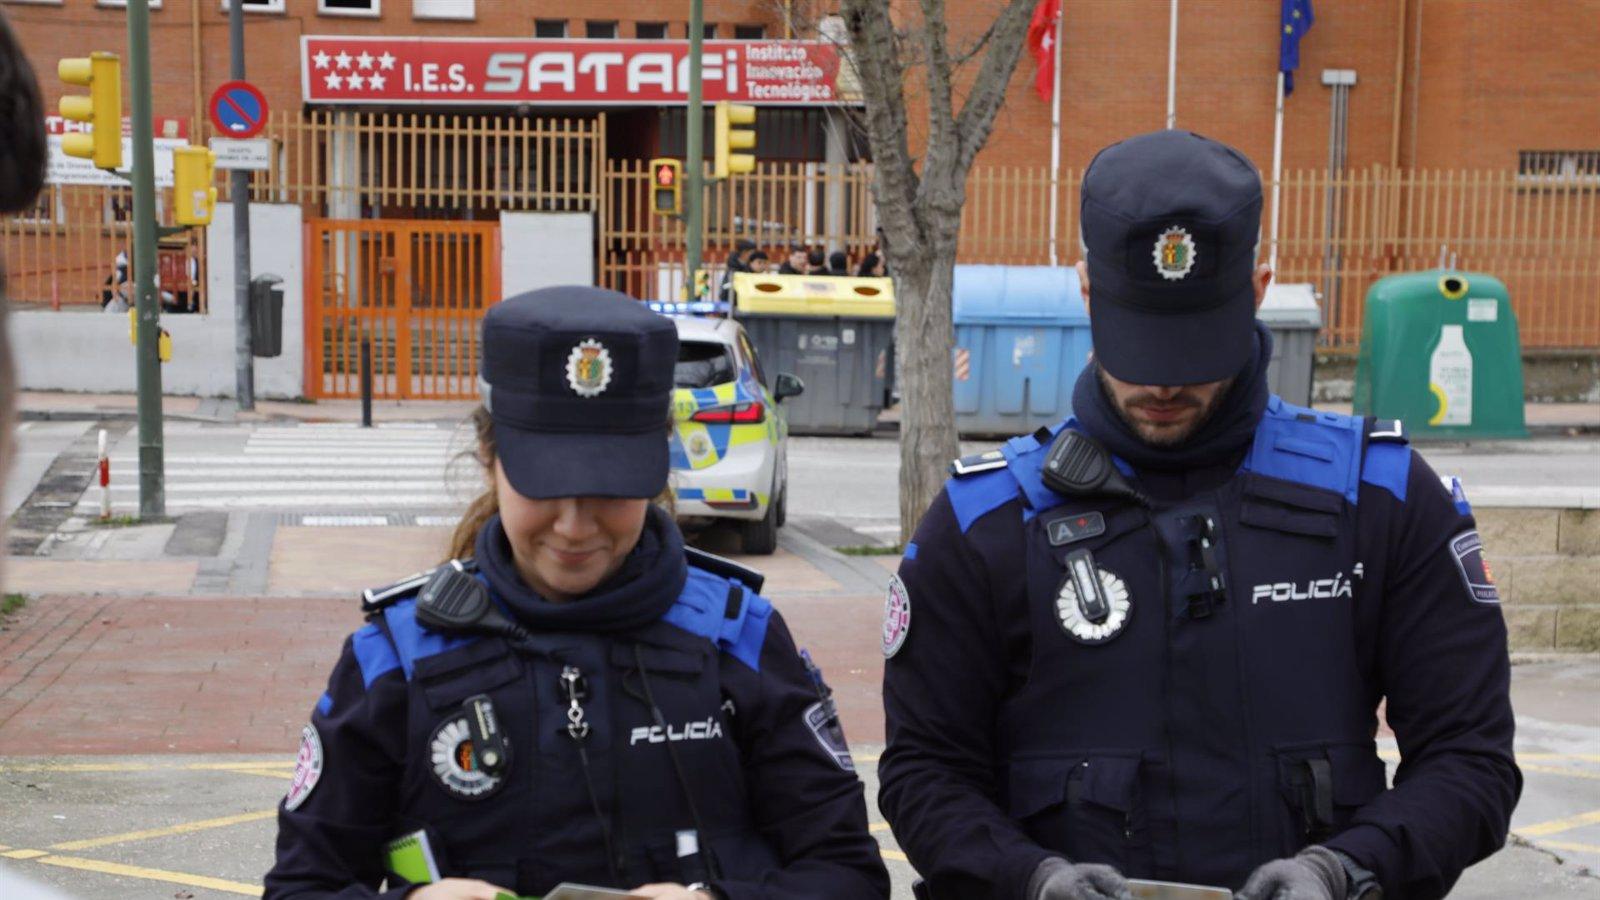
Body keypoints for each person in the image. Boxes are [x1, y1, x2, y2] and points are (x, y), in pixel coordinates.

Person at [879, 130, 1519, 900]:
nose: (1164, 386)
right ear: (1087, 293)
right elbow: (925, 774)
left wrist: (1347, 870)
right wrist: (1031, 879)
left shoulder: (1380, 501)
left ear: (1259, 289)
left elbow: (1470, 760)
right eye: (1141, 347)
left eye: (1193, 350)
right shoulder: (983, 526)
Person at [266, 287, 890, 900]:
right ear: (490, 458)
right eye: (544, 485)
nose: (573, 525)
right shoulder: (397, 657)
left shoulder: (739, 637)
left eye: (609, 488)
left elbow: (847, 874)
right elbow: (300, 885)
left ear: (658, 464)